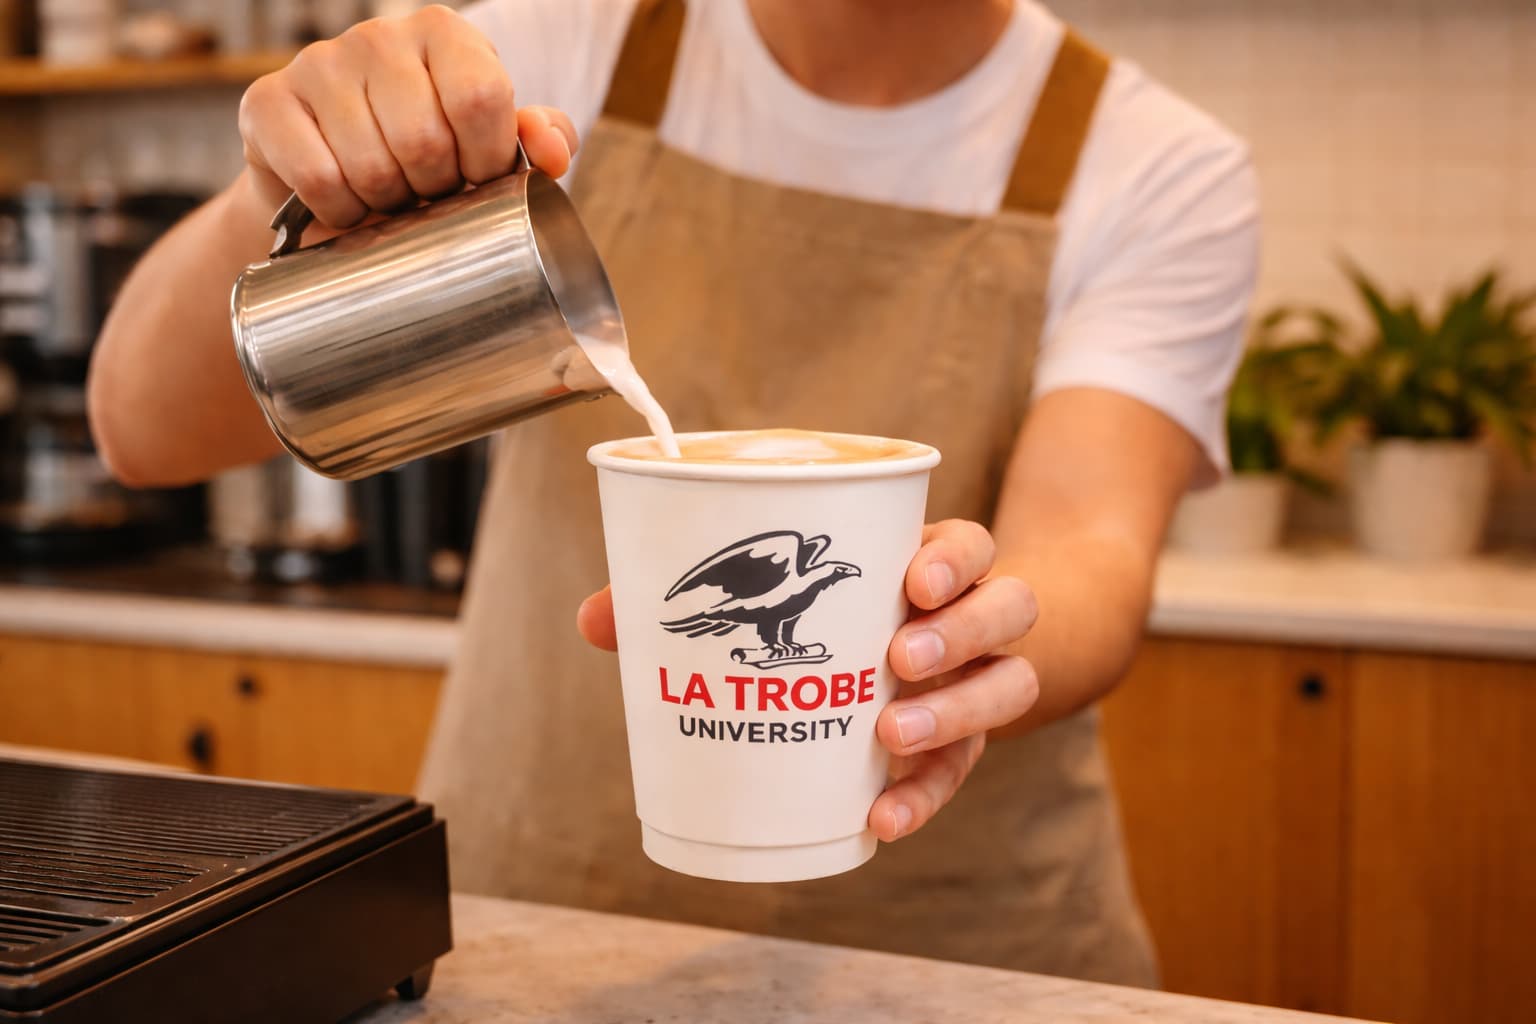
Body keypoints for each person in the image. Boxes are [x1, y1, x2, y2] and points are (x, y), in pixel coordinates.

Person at [88, 0, 1258, 985]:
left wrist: (968, 633)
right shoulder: (549, 56)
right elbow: (141, 430)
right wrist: (281, 197)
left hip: (953, 959)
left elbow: (1092, 542)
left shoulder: (1151, 163)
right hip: (541, 930)